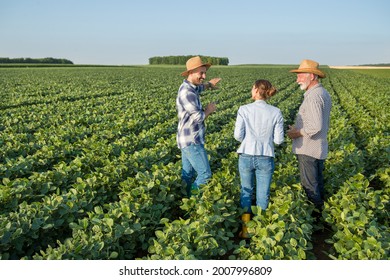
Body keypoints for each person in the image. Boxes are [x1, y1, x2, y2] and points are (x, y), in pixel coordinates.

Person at [234, 79, 284, 238]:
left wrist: (247, 139)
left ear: (256, 90)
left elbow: (237, 136)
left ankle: (246, 230)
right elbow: (278, 140)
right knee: (263, 194)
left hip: (246, 154)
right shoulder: (276, 112)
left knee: (246, 191)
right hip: (266, 156)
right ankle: (261, 231)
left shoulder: (243, 109)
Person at [287, 59, 332, 213]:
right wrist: (298, 127)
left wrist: (297, 132)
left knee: (310, 187)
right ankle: (321, 214)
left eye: (300, 75)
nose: (297, 79)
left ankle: (316, 219)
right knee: (317, 183)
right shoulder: (321, 92)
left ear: (312, 76)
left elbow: (315, 126)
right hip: (317, 147)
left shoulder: (313, 96)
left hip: (308, 149)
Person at [176, 56, 221, 197]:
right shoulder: (187, 92)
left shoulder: (191, 87)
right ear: (191, 72)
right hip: (192, 141)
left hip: (187, 139)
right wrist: (209, 110)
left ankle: (183, 201)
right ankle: (193, 202)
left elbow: (199, 88)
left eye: (205, 72)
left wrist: (209, 85)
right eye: (201, 73)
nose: (204, 76)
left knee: (187, 174)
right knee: (205, 175)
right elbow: (198, 118)